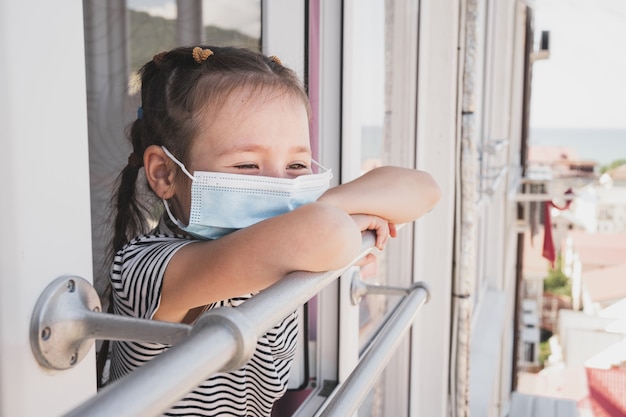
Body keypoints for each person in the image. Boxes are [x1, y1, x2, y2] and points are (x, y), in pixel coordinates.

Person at [106, 45, 440, 417]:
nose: (282, 187)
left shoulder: (290, 234)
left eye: (297, 164)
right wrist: (331, 212)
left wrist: (325, 209)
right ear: (165, 173)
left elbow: (424, 190)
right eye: (248, 165)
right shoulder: (145, 267)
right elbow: (328, 234)